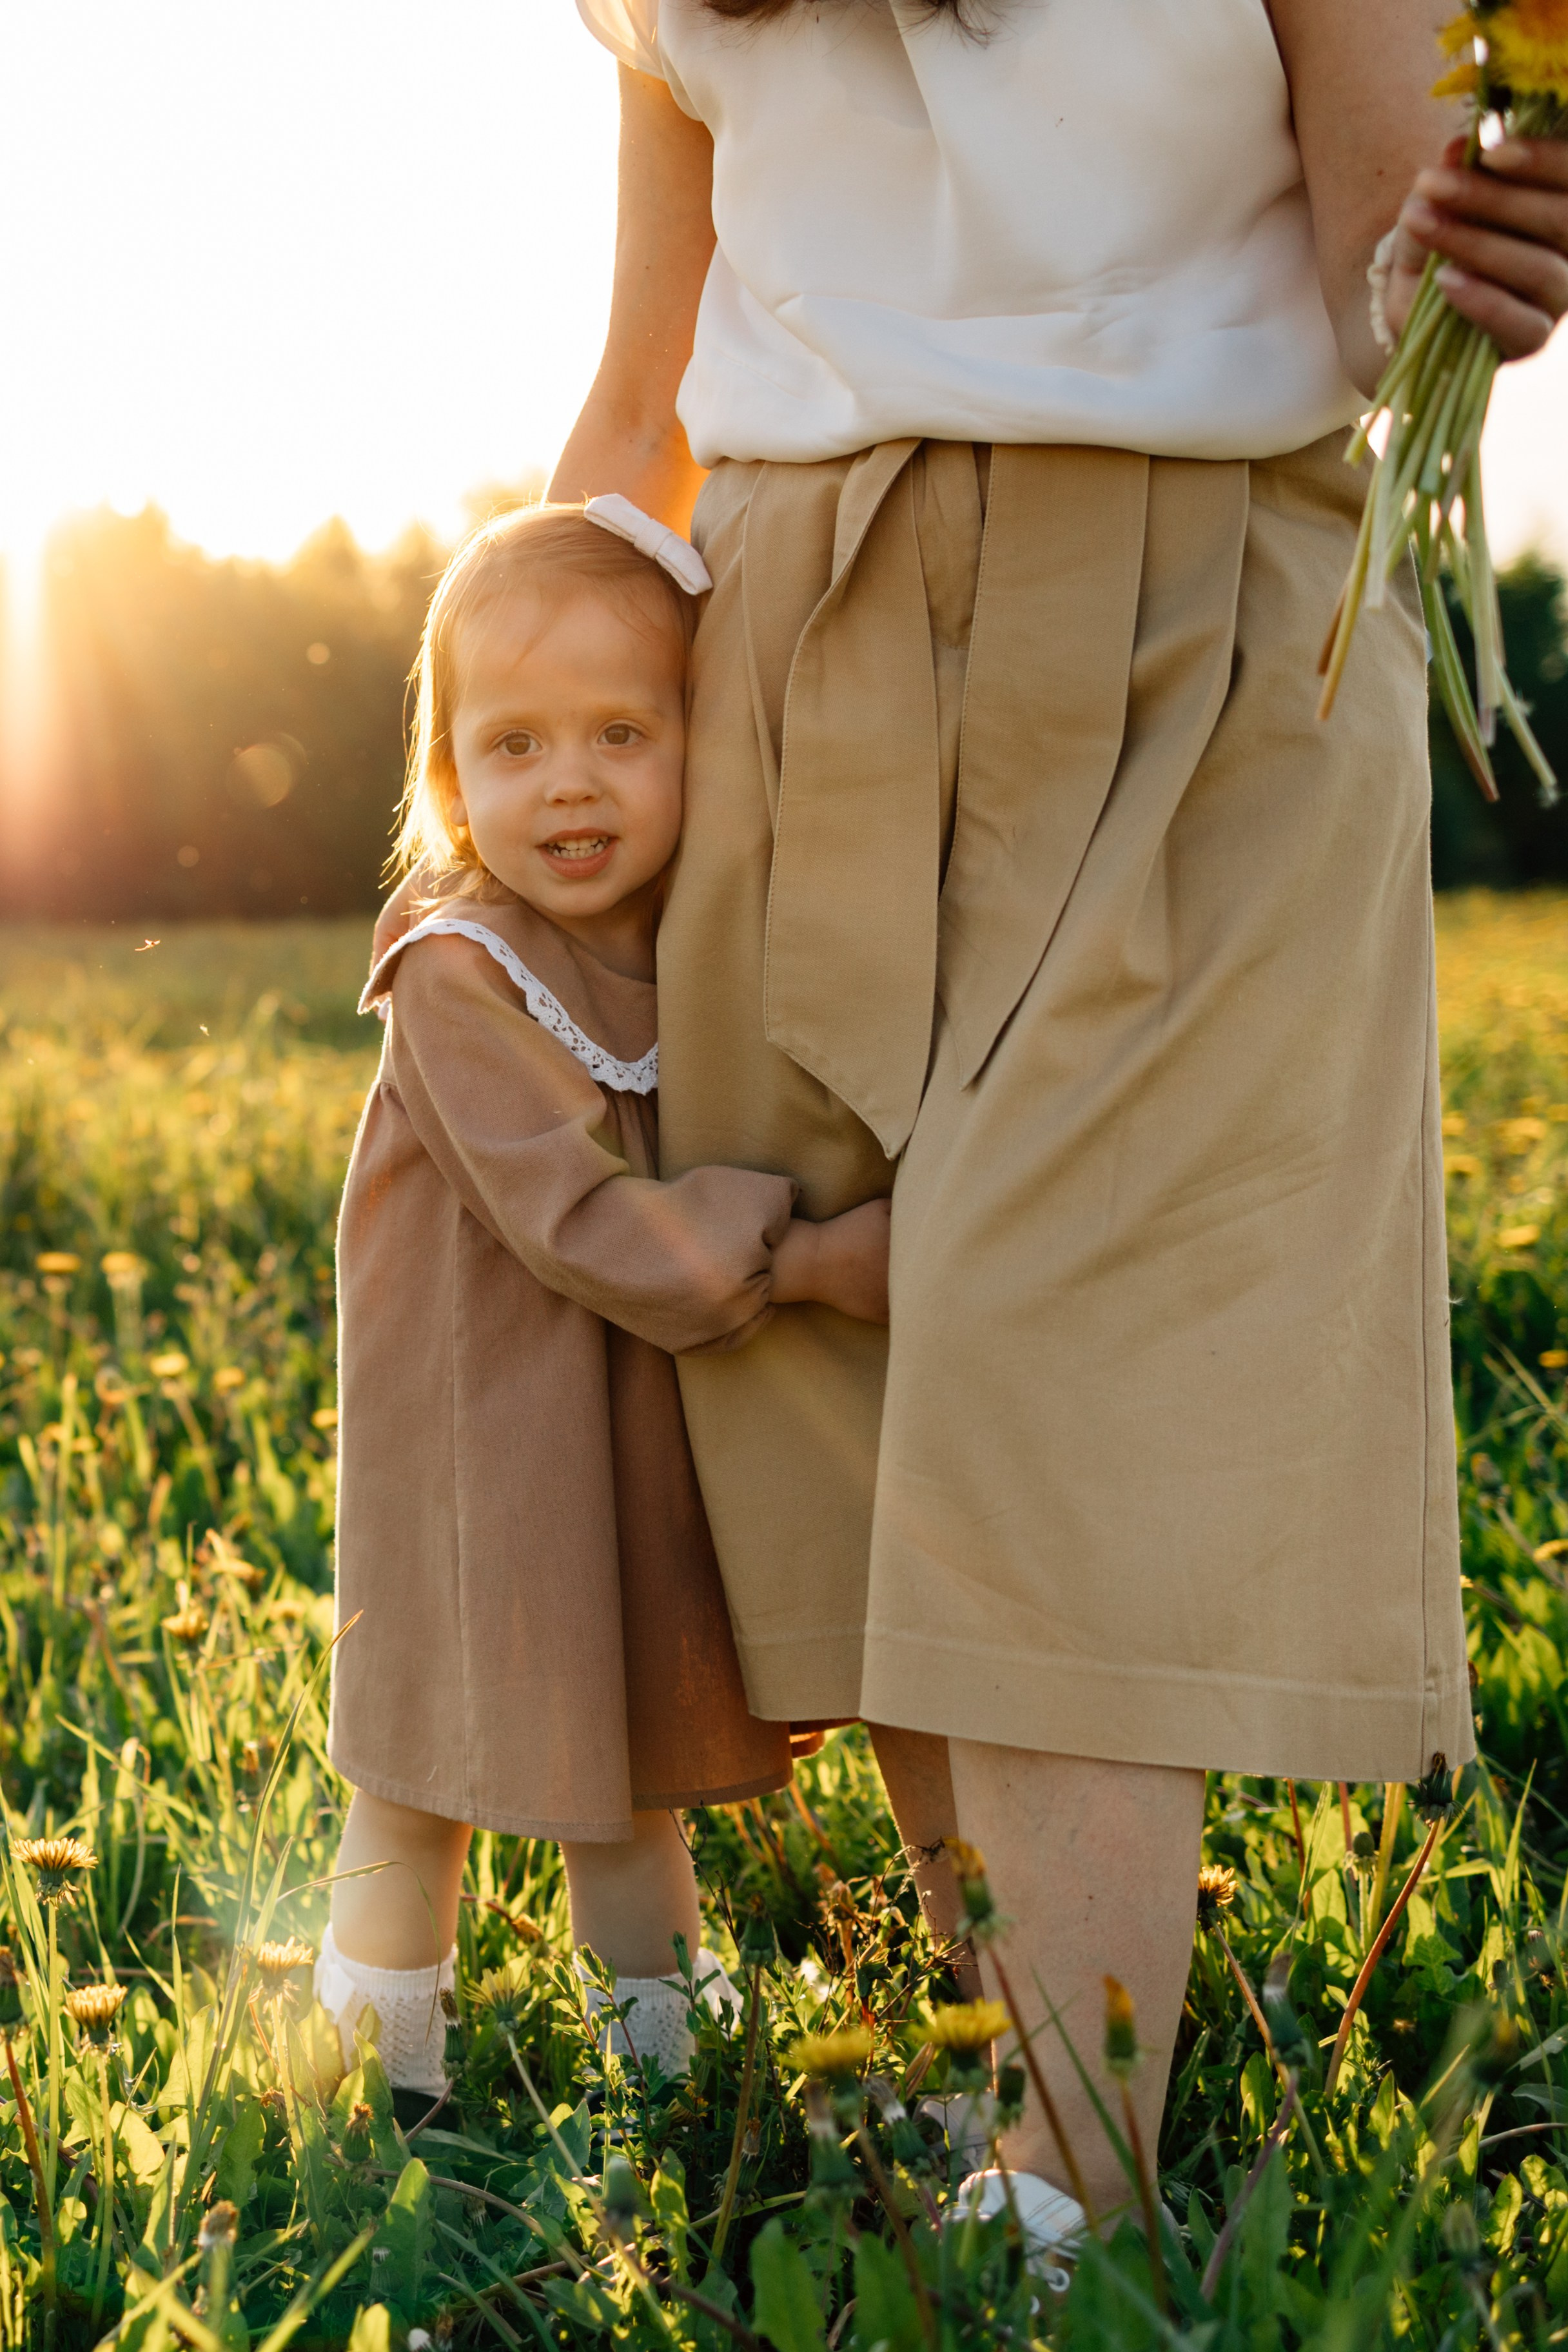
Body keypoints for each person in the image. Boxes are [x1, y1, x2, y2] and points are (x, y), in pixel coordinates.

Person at [540, 0, 1568, 2254]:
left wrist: (1477, 270)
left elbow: (1382, 271)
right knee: (840, 1357)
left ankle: (1074, 2184)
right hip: (791, 624)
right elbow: (643, 396)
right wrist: (502, 802)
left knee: (1052, 1342)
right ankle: (1032, 2060)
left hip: (1204, 626)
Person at [321, 499, 893, 2104]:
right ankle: (379, 2072)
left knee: (620, 1751)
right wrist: (815, 1258)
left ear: (698, 746)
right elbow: (575, 1219)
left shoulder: (684, 935)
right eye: (512, 744)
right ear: (447, 781)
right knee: (423, 1752)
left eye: (620, 732)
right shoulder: (457, 966)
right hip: (478, 1425)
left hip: (619, 1419)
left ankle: (668, 2070)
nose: (567, 782)